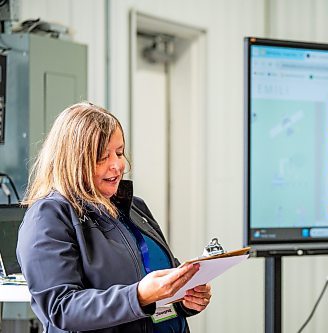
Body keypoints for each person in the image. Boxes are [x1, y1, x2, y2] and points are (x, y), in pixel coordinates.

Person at [16, 102, 211, 332]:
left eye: (119, 153)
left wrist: (185, 298)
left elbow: (157, 296)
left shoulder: (134, 207)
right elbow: (61, 308)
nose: (117, 165)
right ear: (73, 161)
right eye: (102, 157)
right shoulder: (49, 216)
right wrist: (138, 296)